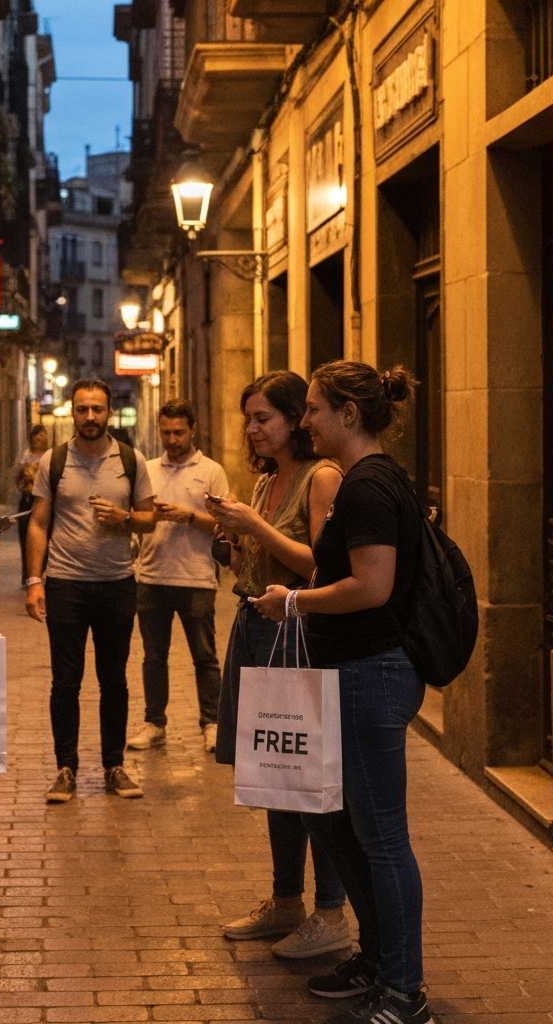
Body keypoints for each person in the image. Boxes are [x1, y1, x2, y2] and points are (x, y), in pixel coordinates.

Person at [254, 361, 431, 1024]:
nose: (306, 421)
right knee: (335, 822)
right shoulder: (366, 481)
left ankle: (405, 989)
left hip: (372, 674)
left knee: (382, 835)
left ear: (349, 415)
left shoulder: (367, 486)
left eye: (316, 409)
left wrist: (295, 600)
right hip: (352, 672)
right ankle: (380, 958)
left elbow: (373, 586)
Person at [207, 372, 347, 959]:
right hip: (254, 630)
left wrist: (254, 526)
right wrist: (230, 539)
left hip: (298, 637)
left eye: (263, 417)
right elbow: (257, 556)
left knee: (310, 776)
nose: (252, 429)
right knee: (274, 774)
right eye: (248, 419)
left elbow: (321, 564)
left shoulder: (322, 478)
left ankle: (332, 913)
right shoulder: (265, 482)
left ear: (295, 420)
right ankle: (286, 901)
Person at [24, 378, 155, 802]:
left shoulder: (131, 460)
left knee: (113, 680)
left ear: (109, 412)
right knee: (66, 681)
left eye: (98, 409)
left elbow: (150, 518)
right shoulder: (54, 461)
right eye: (83, 409)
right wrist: (33, 581)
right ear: (73, 411)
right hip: (66, 585)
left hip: (117, 583)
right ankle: (66, 768)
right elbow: (39, 523)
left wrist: (124, 518)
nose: (90, 417)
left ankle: (114, 766)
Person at [126, 399, 229, 753]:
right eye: (166, 432)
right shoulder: (147, 469)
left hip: (197, 578)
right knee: (154, 657)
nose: (172, 439)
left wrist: (188, 516)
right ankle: (155, 723)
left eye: (179, 432)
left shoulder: (212, 471)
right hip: (152, 577)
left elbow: (224, 525)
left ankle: (212, 723)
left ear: (193, 430)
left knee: (205, 656)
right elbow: (135, 518)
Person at [13, 424, 49, 582]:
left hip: (46, 501)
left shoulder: (50, 456)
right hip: (28, 500)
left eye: (43, 435)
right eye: (37, 436)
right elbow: (17, 478)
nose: (40, 439)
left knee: (45, 536)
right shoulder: (24, 458)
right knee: (25, 536)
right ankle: (27, 575)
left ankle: (43, 572)